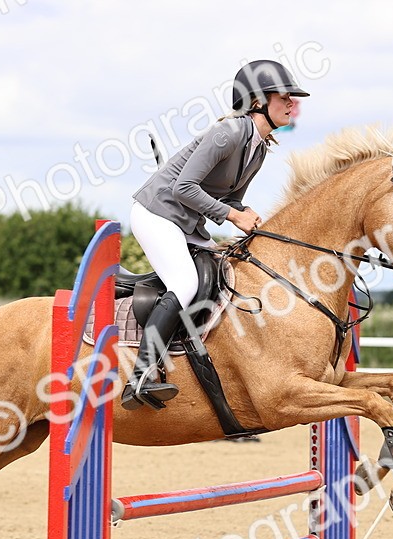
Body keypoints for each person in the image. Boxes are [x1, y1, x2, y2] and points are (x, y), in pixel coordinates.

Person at [122, 60, 309, 410]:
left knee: (226, 275)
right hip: (157, 213)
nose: (291, 104)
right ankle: (142, 374)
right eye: (284, 96)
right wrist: (234, 214)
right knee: (185, 284)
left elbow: (230, 199)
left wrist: (246, 213)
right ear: (257, 101)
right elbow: (183, 187)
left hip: (187, 223)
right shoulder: (230, 133)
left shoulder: (260, 147)